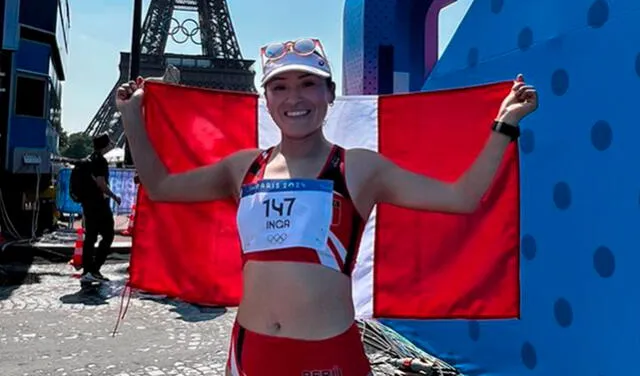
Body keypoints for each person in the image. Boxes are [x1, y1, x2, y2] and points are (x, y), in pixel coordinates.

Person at [115, 39, 538, 375]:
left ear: (329, 93)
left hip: (328, 354)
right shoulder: (243, 168)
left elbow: (460, 198)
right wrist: (132, 117)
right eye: (280, 86)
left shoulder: (359, 167)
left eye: (308, 83)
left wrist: (504, 125)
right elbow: (163, 186)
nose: (294, 97)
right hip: (250, 352)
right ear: (266, 99)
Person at [80, 134, 121, 283]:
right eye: (110, 143)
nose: (111, 145)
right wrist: (114, 196)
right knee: (108, 235)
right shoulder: (101, 161)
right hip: (99, 203)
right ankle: (95, 268)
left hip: (87, 203)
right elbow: (101, 184)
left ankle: (87, 270)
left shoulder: (89, 158)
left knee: (90, 237)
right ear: (105, 145)